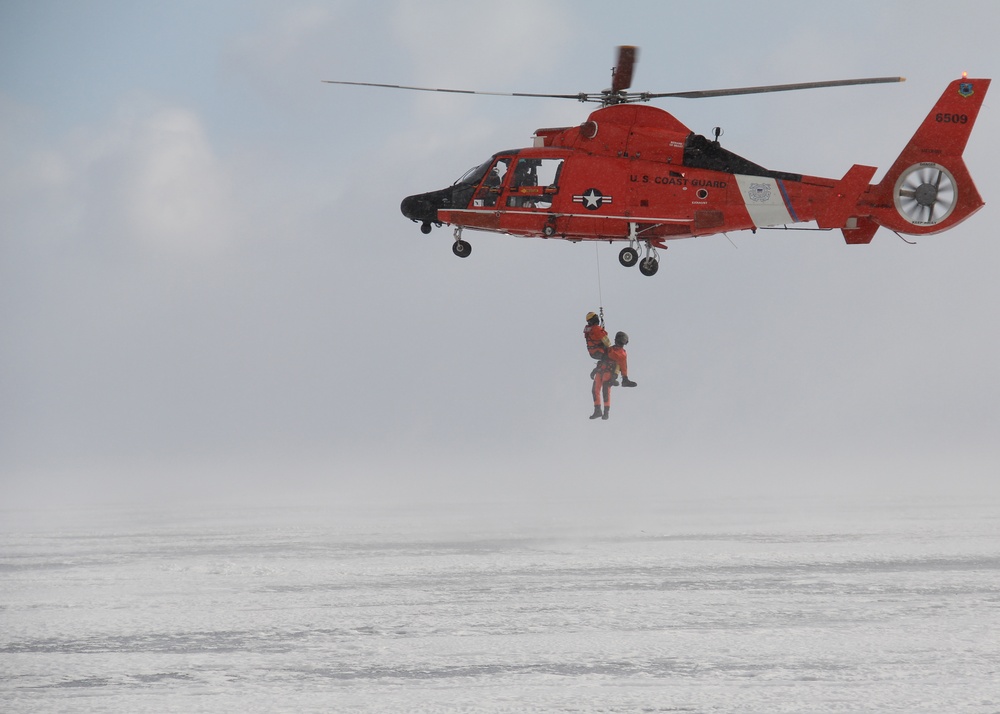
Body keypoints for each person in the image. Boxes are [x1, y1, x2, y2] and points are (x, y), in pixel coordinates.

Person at [590, 330, 636, 420]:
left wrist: (620, 377)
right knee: (596, 390)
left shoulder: (620, 353)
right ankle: (598, 410)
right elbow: (605, 359)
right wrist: (596, 369)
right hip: (601, 370)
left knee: (605, 391)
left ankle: (605, 412)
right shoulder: (611, 349)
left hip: (608, 372)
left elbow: (622, 366)